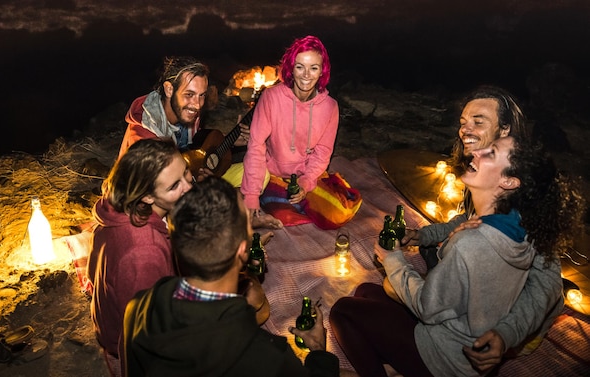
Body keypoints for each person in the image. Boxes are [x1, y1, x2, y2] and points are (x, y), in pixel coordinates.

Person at [330, 136, 583, 377]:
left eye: (490, 153)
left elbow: (428, 308)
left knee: (343, 311)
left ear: (509, 181)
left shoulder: (471, 243)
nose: (475, 151)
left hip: (447, 359)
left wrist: (393, 259)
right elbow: (467, 225)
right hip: (462, 325)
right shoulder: (517, 222)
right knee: (366, 291)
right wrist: (425, 237)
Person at [407, 85, 564, 372]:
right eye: (463, 122)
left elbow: (548, 284)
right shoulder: (483, 171)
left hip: (506, 314)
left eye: (478, 121)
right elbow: (470, 218)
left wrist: (506, 334)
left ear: (505, 130)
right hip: (484, 266)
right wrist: (425, 234)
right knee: (439, 257)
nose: (465, 129)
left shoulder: (523, 189)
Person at [122, 176, 340, 377]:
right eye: (248, 221)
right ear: (243, 250)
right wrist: (319, 351)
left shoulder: (140, 305)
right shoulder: (266, 357)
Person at [88, 138, 193, 376]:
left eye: (185, 172)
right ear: (146, 197)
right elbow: (145, 334)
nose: (189, 185)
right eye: (174, 185)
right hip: (123, 337)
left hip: (116, 309)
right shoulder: (144, 252)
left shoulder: (121, 205)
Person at [241, 35, 340, 229]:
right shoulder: (271, 97)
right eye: (300, 66)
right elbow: (256, 147)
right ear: (291, 68)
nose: (306, 75)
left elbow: (322, 153)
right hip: (273, 173)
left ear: (322, 71)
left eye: (314, 68)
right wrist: (251, 195)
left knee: (336, 213)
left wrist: (306, 182)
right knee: (281, 215)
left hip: (305, 175)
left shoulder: (330, 107)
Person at [118, 56, 251, 182]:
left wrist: (228, 140)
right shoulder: (144, 138)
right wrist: (199, 185)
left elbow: (196, 147)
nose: (197, 104)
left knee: (254, 173)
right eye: (189, 94)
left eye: (202, 95)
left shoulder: (187, 112)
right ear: (169, 89)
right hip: (158, 193)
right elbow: (154, 192)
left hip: (187, 179)